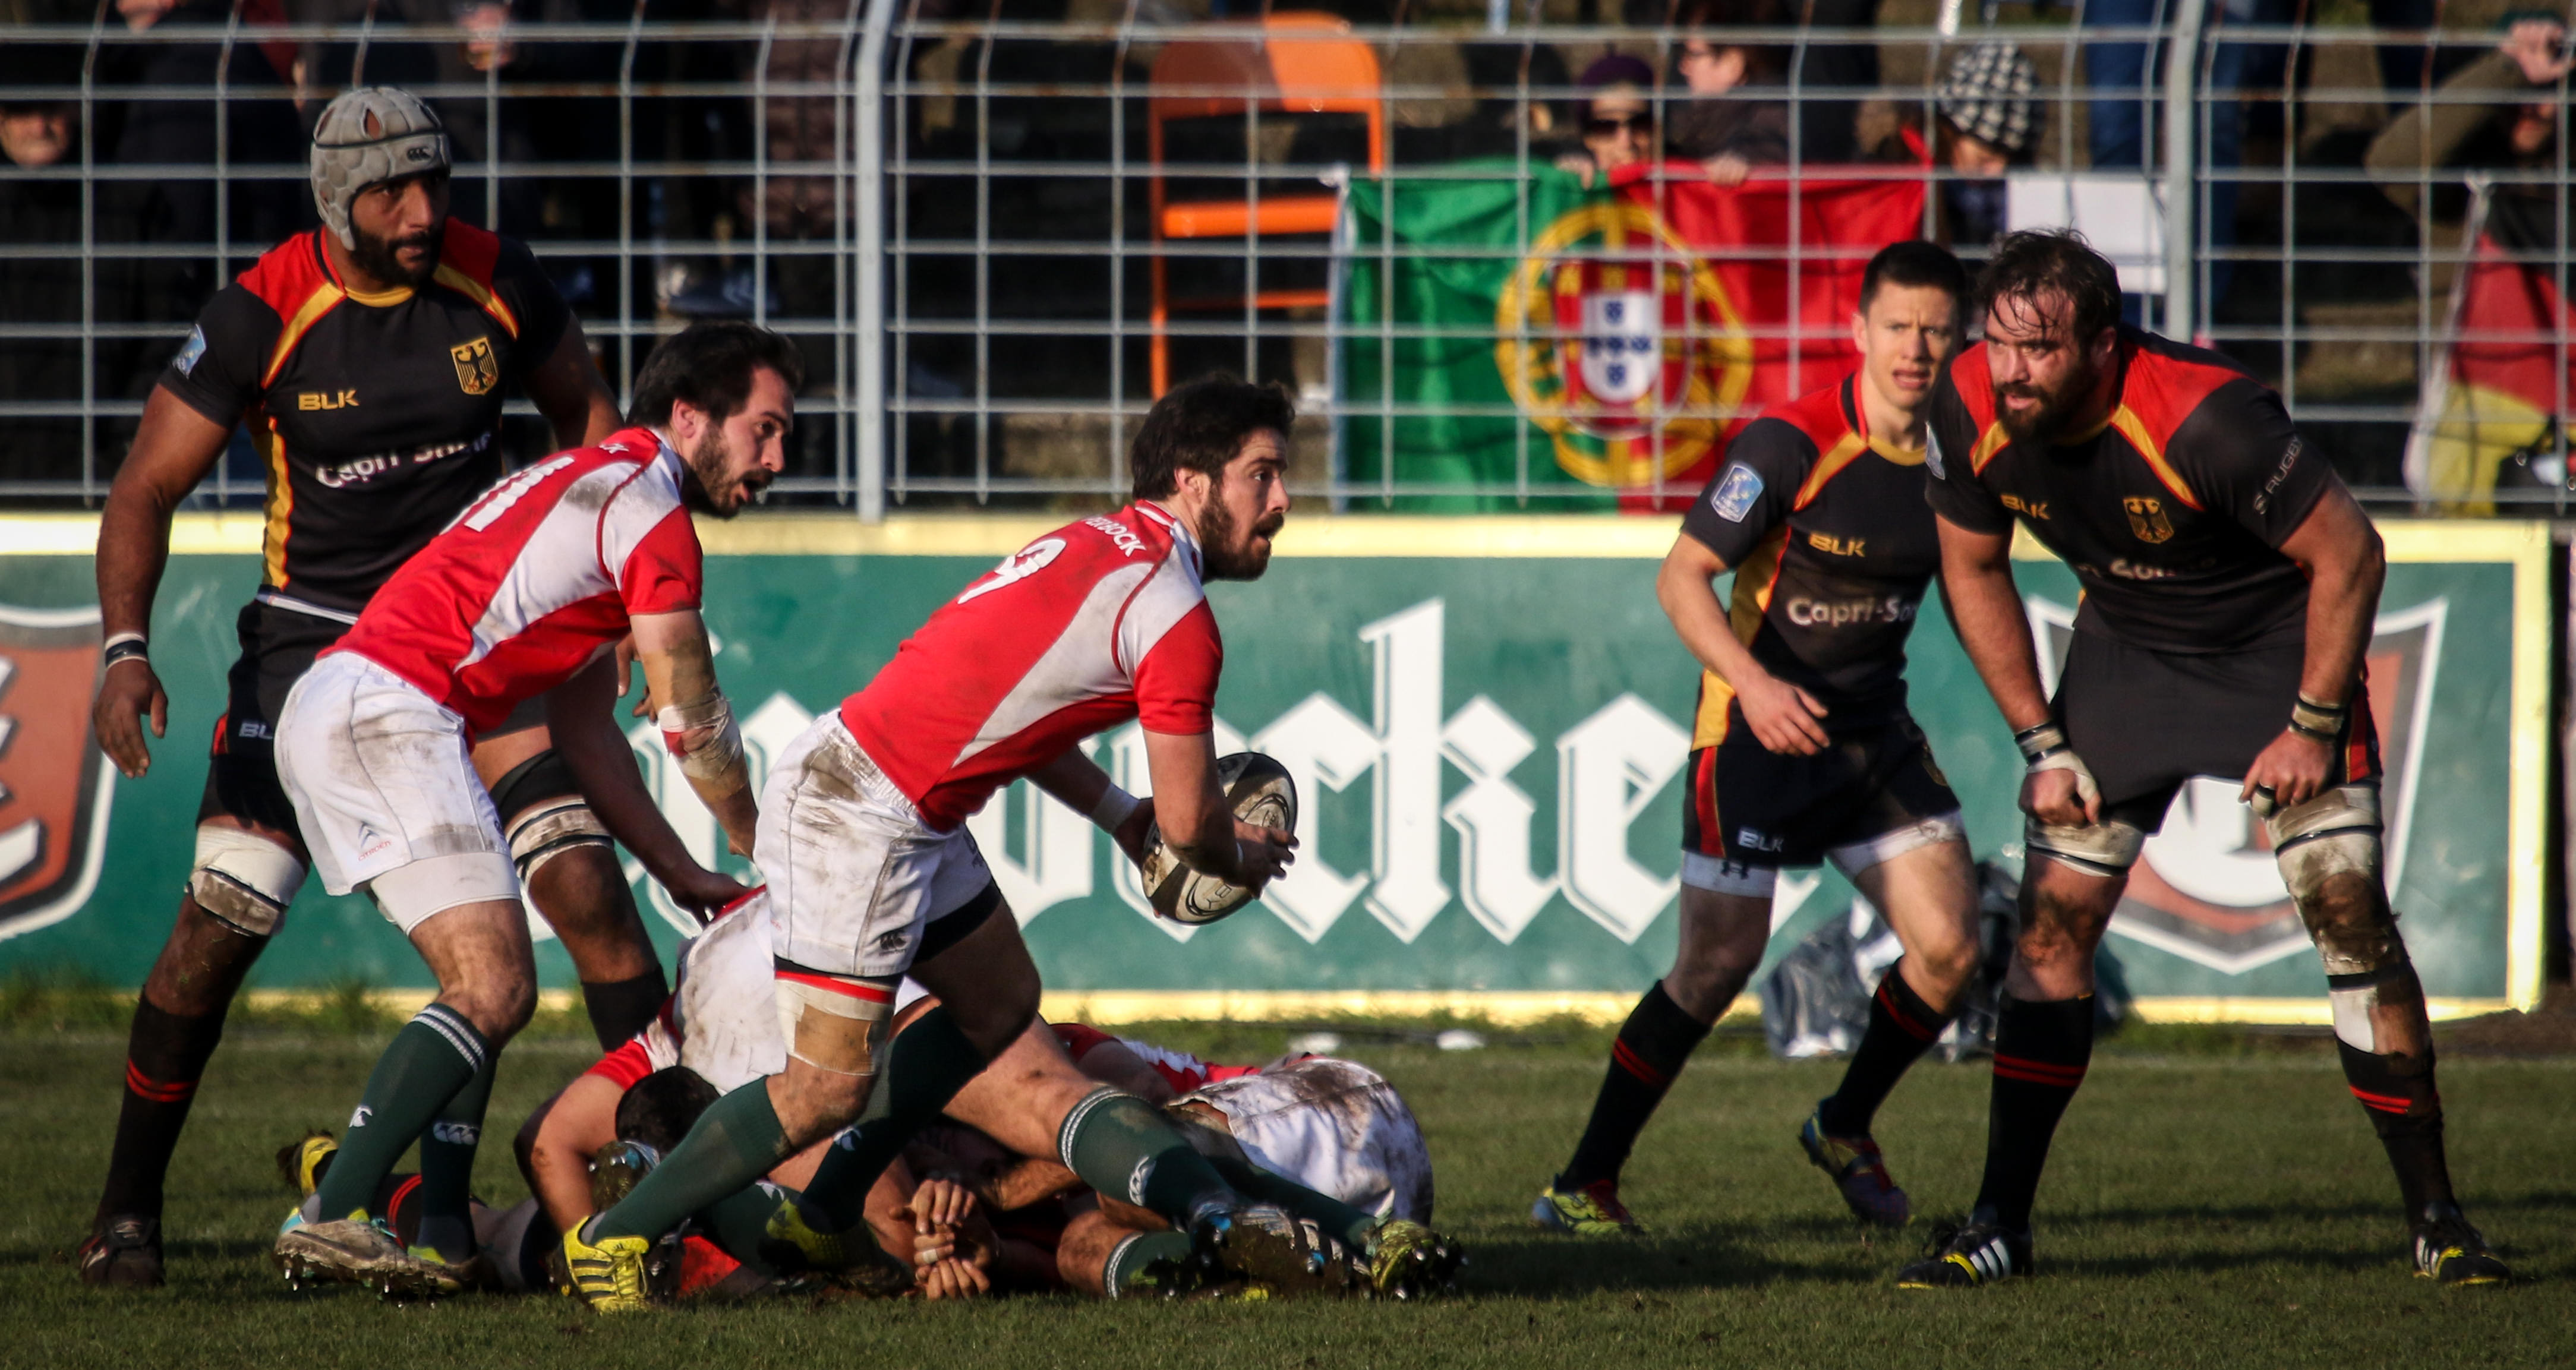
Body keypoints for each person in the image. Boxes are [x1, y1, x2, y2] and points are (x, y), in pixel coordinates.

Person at [558, 376, 1332, 1313]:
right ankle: (613, 1236)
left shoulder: (1092, 544)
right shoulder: (1175, 616)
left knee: (997, 1000)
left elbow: (1020, 715)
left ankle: (824, 1207)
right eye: (1262, 475)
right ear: (1192, 480)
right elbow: (1191, 827)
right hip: (863, 812)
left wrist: (1118, 815)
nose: (1281, 501)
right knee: (819, 1093)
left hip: (885, 792)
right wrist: (1240, 856)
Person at [74, 87, 655, 1291]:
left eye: (434, 183)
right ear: (335, 201)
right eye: (392, 192)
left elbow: (591, 420)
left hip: (469, 641)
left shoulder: (498, 278)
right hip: (314, 650)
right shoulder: (262, 310)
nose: (422, 211)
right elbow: (144, 487)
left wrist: (615, 586)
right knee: (220, 923)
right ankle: (125, 1210)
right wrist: (126, 648)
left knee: (582, 889)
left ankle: (662, 1180)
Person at [1910, 228, 2508, 1287]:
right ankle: (1997, 1224)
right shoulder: (1965, 402)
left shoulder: (2205, 416)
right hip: (2127, 653)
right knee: (2049, 928)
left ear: (2103, 346)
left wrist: (2312, 724)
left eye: (2040, 348)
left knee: (2349, 918)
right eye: (1998, 343)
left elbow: (2350, 553)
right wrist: (2040, 740)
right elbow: (1969, 566)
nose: (2010, 370)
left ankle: (2439, 1220)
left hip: (2274, 651)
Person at [266, 319, 794, 1298]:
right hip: (390, 712)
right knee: (495, 984)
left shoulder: (590, 485)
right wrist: (765, 846)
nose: (776, 460)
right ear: (689, 417)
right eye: (764, 429)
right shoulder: (649, 510)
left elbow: (586, 735)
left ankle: (438, 1235)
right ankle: (333, 1210)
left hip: (361, 705)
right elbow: (692, 712)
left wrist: (680, 868)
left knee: (485, 986)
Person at [1533, 241, 1979, 1236]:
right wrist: (1757, 685)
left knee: (1951, 949)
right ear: (1858, 331)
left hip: (1870, 737)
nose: (1915, 348)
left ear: (1960, 342)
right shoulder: (1791, 442)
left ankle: (1844, 1125)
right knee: (1716, 964)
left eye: (1935, 330)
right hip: (1751, 733)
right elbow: (1680, 578)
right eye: (1897, 326)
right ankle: (1581, 1182)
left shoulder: (1967, 454)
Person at [2367, 15, 2573, 510]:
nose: (2530, 106)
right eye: (2516, 92)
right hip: (2471, 442)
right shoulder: (2456, 195)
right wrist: (2504, 70)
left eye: (2547, 90)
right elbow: (2389, 164)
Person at [1931, 43, 2045, 250]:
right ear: (1949, 131)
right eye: (1986, 158)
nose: (1998, 171)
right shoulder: (1910, 181)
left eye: (2011, 161)